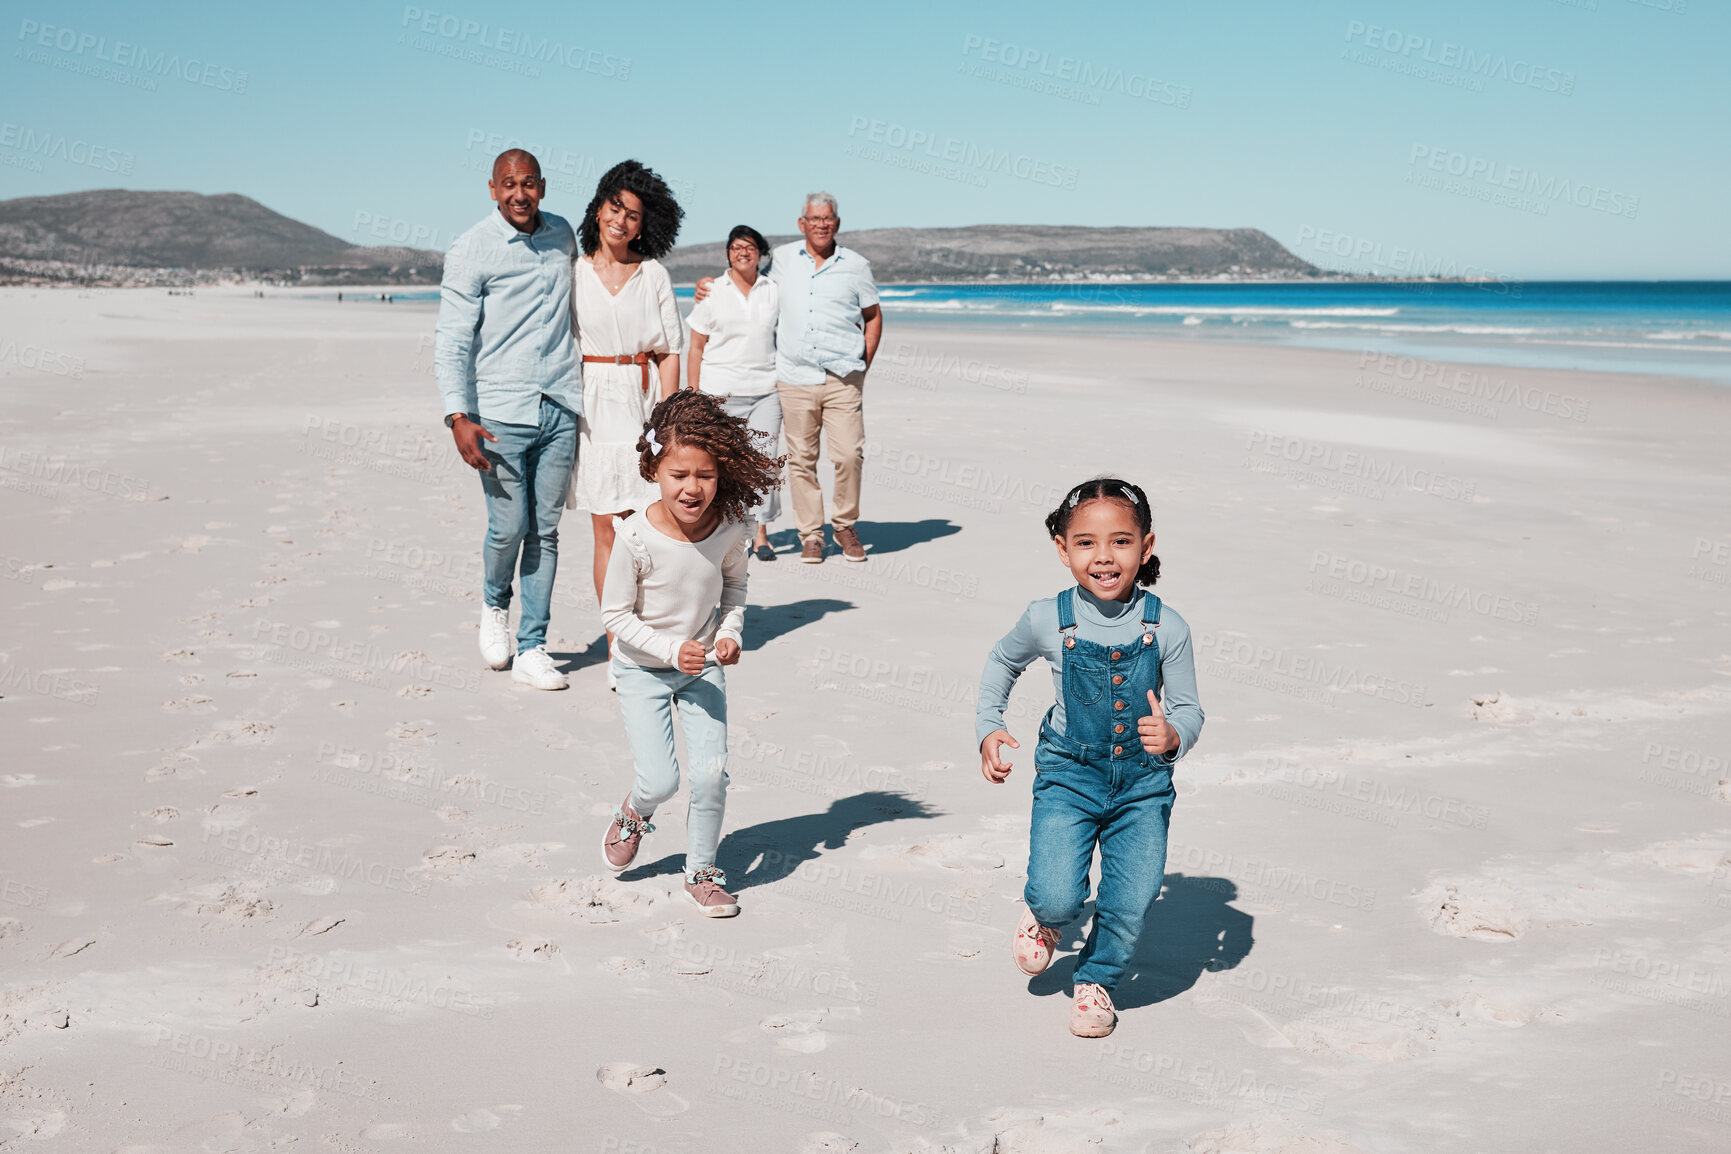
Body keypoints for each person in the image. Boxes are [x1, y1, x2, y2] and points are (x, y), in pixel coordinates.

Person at [975, 477, 1205, 1038]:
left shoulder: (1166, 625)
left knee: (1133, 896)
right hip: (1069, 774)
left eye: (1120, 542)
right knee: (1058, 895)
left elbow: (1191, 709)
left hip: (1143, 787)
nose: (1104, 557)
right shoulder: (1046, 618)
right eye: (1086, 543)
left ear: (1145, 547)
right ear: (1063, 549)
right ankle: (1045, 920)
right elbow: (1002, 662)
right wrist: (990, 725)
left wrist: (1173, 735)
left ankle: (1096, 979)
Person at [598, 390, 785, 917]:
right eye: (678, 475)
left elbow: (735, 589)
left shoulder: (731, 528)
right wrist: (670, 647)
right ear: (655, 468)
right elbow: (615, 617)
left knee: (709, 775)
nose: (692, 488)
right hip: (641, 670)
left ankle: (701, 871)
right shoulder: (634, 536)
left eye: (704, 475)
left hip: (703, 670)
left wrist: (731, 634)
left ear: (721, 473)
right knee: (661, 779)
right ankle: (635, 812)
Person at [433, 148, 580, 691]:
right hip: (498, 412)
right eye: (508, 184)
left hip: (562, 402)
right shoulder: (473, 248)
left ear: (543, 186)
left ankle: (533, 646)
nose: (520, 194)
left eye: (530, 184)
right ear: (493, 190)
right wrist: (457, 415)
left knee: (545, 529)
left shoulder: (564, 234)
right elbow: (451, 339)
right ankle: (495, 607)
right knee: (508, 525)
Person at [695, 193, 880, 564]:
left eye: (827, 218)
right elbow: (745, 280)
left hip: (843, 376)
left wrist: (864, 362)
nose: (821, 224)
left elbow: (873, 316)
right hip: (794, 378)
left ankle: (844, 525)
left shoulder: (857, 266)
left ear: (837, 223)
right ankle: (811, 534)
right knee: (801, 460)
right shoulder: (782, 260)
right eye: (814, 219)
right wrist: (707, 285)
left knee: (848, 455)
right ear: (802, 224)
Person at [568, 160, 687, 683]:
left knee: (645, 528)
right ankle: (619, 645)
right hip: (591, 407)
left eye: (633, 215)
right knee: (604, 531)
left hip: (641, 407)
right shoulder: (571, 273)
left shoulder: (654, 275)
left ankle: (649, 632)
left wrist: (669, 420)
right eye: (615, 208)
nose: (622, 220)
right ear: (598, 210)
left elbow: (669, 352)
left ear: (645, 226)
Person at [687, 224, 782, 561]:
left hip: (766, 392)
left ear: (760, 252)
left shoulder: (774, 289)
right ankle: (723, 533)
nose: (743, 252)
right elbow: (696, 347)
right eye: (736, 247)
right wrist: (693, 397)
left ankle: (760, 534)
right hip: (719, 394)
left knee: (764, 464)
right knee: (723, 466)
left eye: (750, 246)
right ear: (728, 253)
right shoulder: (712, 291)